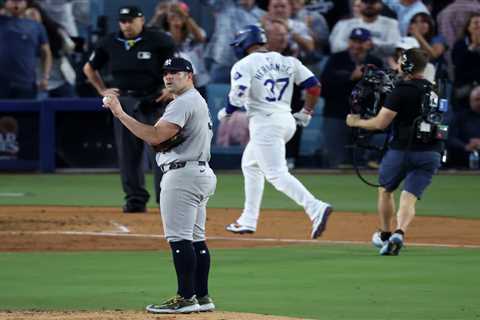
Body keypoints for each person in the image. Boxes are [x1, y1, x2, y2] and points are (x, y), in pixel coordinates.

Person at [102, 57, 217, 314]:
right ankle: (202, 295)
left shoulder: (183, 102)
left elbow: (155, 136)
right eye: (166, 72)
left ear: (190, 76)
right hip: (200, 173)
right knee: (196, 239)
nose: (168, 76)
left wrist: (119, 113)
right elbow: (168, 139)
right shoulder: (196, 100)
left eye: (175, 72)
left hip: (183, 176)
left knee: (179, 239)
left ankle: (185, 298)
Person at [219, 25, 333, 238]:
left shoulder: (244, 64)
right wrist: (306, 111)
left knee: (276, 174)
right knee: (251, 165)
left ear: (245, 44)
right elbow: (314, 86)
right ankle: (248, 219)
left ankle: (315, 207)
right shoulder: (288, 60)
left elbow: (239, 93)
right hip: (286, 120)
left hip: (266, 124)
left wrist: (227, 111)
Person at [346, 48, 444, 255]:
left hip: (403, 150)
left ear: (406, 65)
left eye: (400, 62)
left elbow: (381, 123)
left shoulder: (401, 90)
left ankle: (384, 235)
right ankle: (400, 232)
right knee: (409, 196)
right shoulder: (434, 89)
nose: (396, 65)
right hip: (432, 151)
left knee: (385, 190)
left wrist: (357, 122)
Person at [83, 6, 176, 213]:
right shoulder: (109, 42)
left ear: (141, 20)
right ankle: (135, 200)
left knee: (161, 153)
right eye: (123, 21)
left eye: (130, 20)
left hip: (154, 100)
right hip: (124, 102)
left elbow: (177, 66)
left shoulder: (159, 40)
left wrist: (171, 89)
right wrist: (101, 89)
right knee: (128, 154)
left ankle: (167, 200)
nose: (126, 25)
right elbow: (89, 67)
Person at [322, 28, 383, 168]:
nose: (357, 45)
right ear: (349, 42)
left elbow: (381, 90)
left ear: (369, 43)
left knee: (360, 162)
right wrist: (350, 77)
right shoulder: (336, 59)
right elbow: (324, 87)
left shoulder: (375, 62)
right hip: (336, 114)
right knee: (337, 161)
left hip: (363, 116)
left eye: (361, 42)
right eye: (354, 41)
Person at [0, 0, 52, 99]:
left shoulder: (36, 26)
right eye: (12, 0)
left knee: (24, 113)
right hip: (2, 83)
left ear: (26, 3)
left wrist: (45, 77)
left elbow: (46, 53)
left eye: (19, 1)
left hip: (25, 83)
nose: (16, 3)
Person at [329, 0, 400, 61]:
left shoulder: (391, 23)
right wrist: (354, 45)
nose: (369, 5)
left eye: (373, 2)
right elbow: (335, 47)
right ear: (360, 4)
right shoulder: (346, 23)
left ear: (381, 4)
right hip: (349, 65)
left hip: (380, 65)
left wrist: (374, 44)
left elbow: (396, 46)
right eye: (365, 1)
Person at [447, 86, 480, 168]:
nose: (479, 103)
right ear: (470, 101)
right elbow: (450, 137)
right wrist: (465, 146)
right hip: (462, 162)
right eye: (477, 99)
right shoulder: (460, 117)